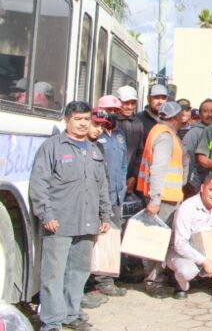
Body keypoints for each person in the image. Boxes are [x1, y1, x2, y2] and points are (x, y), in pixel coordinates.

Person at [30, 101, 112, 331]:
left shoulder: (94, 149)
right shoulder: (52, 147)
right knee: (53, 275)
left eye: (87, 119)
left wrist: (105, 216)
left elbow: (101, 185)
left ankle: (71, 314)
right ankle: (52, 321)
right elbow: (39, 185)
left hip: (87, 223)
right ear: (67, 120)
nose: (83, 123)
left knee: (79, 272)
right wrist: (46, 215)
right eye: (78, 119)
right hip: (59, 223)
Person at [136, 101, 189, 298]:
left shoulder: (160, 131)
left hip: (166, 196)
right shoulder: (165, 137)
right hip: (164, 198)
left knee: (161, 240)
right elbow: (158, 168)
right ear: (176, 117)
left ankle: (157, 278)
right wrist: (155, 199)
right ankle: (153, 281)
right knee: (158, 241)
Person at [92, 99, 128, 297]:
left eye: (115, 110)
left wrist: (121, 190)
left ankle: (107, 279)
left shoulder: (120, 135)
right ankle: (98, 281)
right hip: (99, 196)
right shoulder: (94, 135)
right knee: (98, 237)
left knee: (112, 237)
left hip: (116, 196)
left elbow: (123, 165)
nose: (112, 114)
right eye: (108, 110)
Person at [182, 99, 212, 193]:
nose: (209, 114)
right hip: (199, 186)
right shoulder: (193, 134)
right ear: (200, 114)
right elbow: (187, 162)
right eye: (205, 111)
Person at [116, 85, 145, 198]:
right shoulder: (111, 122)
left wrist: (134, 177)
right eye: (126, 103)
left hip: (130, 178)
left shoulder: (138, 123)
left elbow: (140, 152)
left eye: (133, 103)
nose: (129, 107)